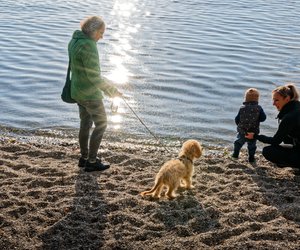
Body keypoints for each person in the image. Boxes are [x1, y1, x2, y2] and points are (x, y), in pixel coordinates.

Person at [68, 16, 122, 172]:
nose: (102, 36)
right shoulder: (89, 45)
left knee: (85, 124)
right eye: (101, 32)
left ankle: (84, 157)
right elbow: (94, 76)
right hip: (90, 95)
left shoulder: (74, 41)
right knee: (102, 124)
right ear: (93, 31)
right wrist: (112, 91)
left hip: (77, 91)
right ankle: (91, 161)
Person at [245, 84, 300, 169]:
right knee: (286, 136)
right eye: (273, 100)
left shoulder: (289, 117)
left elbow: (275, 141)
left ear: (287, 99)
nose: (273, 104)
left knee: (268, 151)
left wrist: (255, 136)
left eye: (276, 100)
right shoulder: (297, 107)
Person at [232, 88, 266, 163]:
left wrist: (239, 126)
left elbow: (237, 119)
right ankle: (251, 158)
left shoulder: (242, 108)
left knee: (238, 142)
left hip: (242, 131)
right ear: (257, 99)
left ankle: (235, 154)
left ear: (245, 98)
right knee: (252, 146)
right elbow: (263, 118)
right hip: (253, 132)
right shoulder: (259, 108)